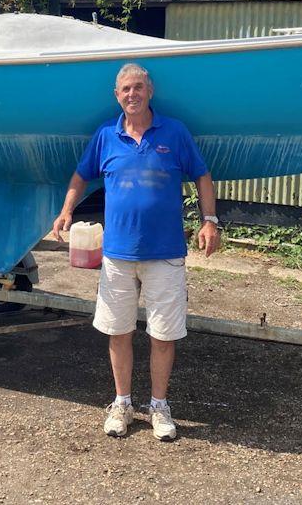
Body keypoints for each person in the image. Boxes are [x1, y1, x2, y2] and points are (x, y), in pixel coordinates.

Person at [52, 63, 220, 441]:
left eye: (139, 87)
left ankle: (159, 407)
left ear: (151, 91)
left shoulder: (174, 132)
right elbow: (81, 176)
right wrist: (66, 210)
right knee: (119, 331)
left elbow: (202, 175)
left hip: (165, 254)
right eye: (126, 88)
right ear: (117, 95)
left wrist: (210, 220)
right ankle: (122, 403)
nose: (133, 94)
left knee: (163, 334)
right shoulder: (105, 136)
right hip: (117, 256)